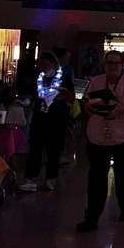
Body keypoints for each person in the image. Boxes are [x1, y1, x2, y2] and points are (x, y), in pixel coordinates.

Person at [77, 50, 124, 232]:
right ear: (104, 65)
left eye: (116, 63)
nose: (113, 67)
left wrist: (121, 109)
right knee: (96, 177)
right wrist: (89, 109)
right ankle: (92, 216)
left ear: (122, 65)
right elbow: (87, 103)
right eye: (109, 63)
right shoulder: (97, 81)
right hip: (98, 135)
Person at [19, 52, 74, 193]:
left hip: (56, 119)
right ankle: (31, 178)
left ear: (53, 63)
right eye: (40, 63)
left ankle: (51, 179)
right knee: (35, 149)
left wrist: (60, 98)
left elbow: (72, 97)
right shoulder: (37, 78)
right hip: (39, 118)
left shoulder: (64, 78)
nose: (42, 66)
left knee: (53, 150)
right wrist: (27, 101)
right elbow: (32, 95)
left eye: (45, 63)